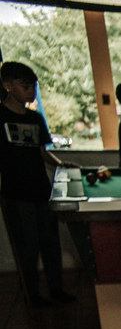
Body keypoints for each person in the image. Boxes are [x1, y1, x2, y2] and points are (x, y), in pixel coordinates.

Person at [0, 61, 75, 306]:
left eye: (33, 86)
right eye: (25, 86)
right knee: (27, 247)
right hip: (15, 193)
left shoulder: (35, 118)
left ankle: (56, 290)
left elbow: (42, 151)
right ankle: (33, 295)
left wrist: (60, 163)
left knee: (50, 244)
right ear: (8, 85)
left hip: (41, 190)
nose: (31, 91)